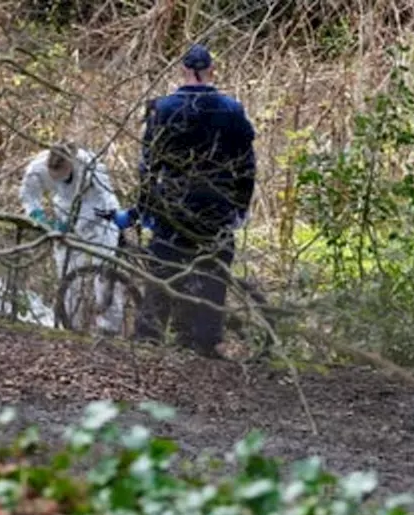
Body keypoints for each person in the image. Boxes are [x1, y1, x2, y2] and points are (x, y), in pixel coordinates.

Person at [104, 43, 258, 358]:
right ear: (211, 70)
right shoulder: (231, 110)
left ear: (184, 71)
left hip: (174, 205)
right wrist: (240, 207)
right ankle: (203, 341)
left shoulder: (163, 109)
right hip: (217, 206)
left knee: (162, 270)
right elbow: (246, 165)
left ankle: (150, 338)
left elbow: (148, 168)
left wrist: (143, 210)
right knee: (213, 273)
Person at [19, 141, 126, 334]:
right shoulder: (37, 168)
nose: (57, 178)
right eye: (54, 175)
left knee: (105, 273)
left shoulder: (90, 164)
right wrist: (41, 219)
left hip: (99, 220)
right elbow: (29, 196)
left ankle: (109, 329)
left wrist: (84, 224)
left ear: (71, 164)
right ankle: (69, 324)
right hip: (64, 217)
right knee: (67, 274)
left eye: (62, 172)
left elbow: (106, 198)